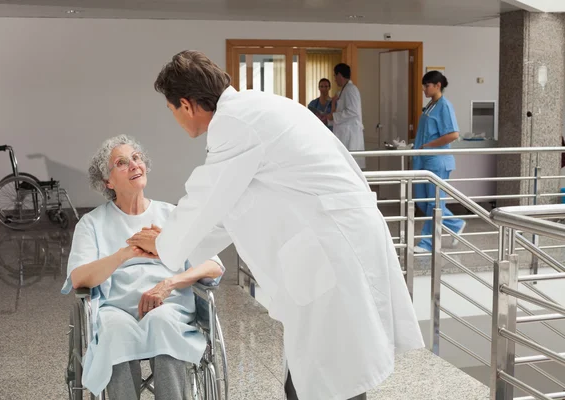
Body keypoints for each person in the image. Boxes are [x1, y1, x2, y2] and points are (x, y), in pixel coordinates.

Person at [127, 50, 424, 400]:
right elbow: (228, 205)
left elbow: (207, 195)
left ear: (187, 105)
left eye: (172, 110)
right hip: (337, 240)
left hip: (332, 249)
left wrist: (164, 243)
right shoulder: (254, 108)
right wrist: (171, 241)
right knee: (322, 373)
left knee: (331, 376)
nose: (176, 118)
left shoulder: (234, 124)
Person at [61, 135, 224, 399]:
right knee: (114, 330)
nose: (135, 164)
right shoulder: (92, 224)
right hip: (116, 310)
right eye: (122, 162)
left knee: (162, 322)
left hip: (168, 306)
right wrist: (124, 254)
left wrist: (169, 282)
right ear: (108, 182)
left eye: (137, 158)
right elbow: (79, 278)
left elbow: (213, 266)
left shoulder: (171, 215)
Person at [413, 71, 465, 253]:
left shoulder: (444, 106)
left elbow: (453, 134)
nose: (424, 89)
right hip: (424, 160)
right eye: (424, 86)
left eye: (427, 85)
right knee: (422, 200)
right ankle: (455, 223)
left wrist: (428, 145)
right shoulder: (430, 105)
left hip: (437, 162)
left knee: (434, 204)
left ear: (437, 85)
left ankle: (427, 243)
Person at [326, 63, 365, 168]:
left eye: (335, 76)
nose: (334, 79)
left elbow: (353, 111)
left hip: (350, 134)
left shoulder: (351, 89)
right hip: (345, 132)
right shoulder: (344, 90)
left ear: (339, 75)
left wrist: (334, 116)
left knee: (351, 166)